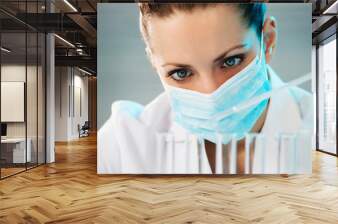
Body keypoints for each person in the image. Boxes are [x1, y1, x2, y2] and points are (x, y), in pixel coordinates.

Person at [98, 3, 313, 174]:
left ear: (267, 41)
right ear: (154, 64)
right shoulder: (120, 147)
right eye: (181, 73)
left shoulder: (318, 130)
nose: (211, 94)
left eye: (231, 61)